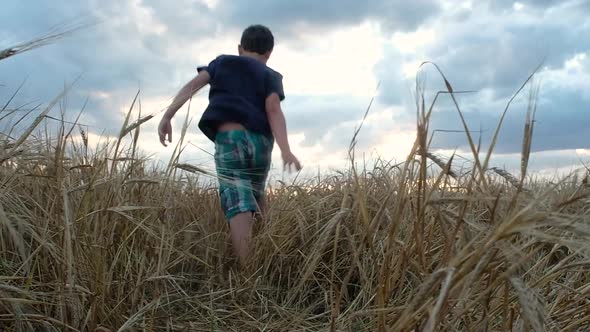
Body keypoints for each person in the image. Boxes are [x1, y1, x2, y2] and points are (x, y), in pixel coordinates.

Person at [158, 24, 301, 265]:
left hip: (230, 138)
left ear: (239, 48)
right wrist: (286, 150)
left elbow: (192, 86)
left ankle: (248, 270)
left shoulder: (223, 62)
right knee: (257, 195)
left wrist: (168, 115)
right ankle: (270, 248)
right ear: (269, 54)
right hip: (262, 143)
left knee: (238, 198)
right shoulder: (271, 75)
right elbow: (274, 109)